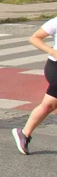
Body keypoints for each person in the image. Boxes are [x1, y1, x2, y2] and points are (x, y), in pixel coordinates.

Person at [11, 16, 57, 155]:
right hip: (55, 67)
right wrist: (53, 51)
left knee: (49, 104)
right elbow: (35, 38)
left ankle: (24, 133)